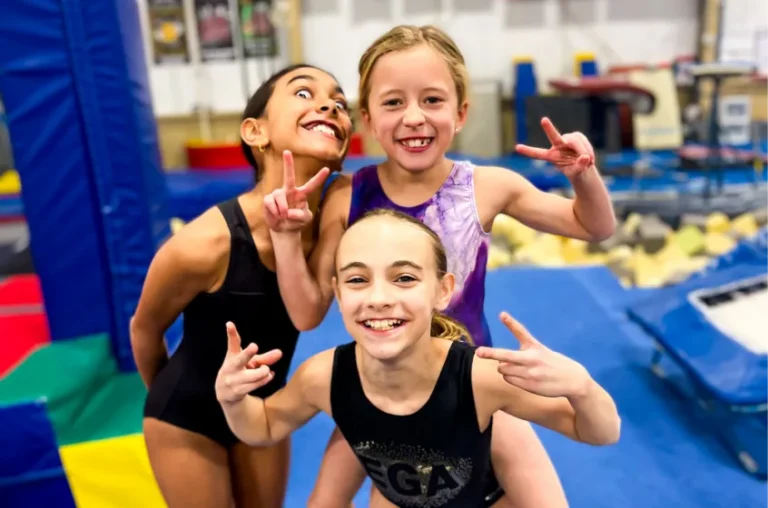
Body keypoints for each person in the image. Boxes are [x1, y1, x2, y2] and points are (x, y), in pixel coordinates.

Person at [263, 25, 616, 507]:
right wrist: (285, 239)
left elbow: (591, 226)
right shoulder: (347, 195)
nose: (414, 118)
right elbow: (307, 314)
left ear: (461, 111)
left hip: (476, 390)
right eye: (393, 103)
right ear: (366, 117)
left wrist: (584, 176)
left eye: (432, 100)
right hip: (382, 393)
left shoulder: (487, 187)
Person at [216, 208, 621, 508]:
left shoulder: (481, 379)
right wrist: (232, 399)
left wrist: (582, 388)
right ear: (339, 293)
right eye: (358, 280)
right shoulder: (323, 377)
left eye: (404, 278)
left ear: (442, 291)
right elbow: (264, 426)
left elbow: (600, 432)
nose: (378, 298)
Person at [129, 63, 353, 507]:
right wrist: (174, 403)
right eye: (304, 93)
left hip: (265, 410)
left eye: (341, 102)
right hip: (187, 418)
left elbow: (307, 314)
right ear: (256, 131)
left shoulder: (337, 206)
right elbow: (144, 328)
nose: (330, 104)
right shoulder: (203, 245)